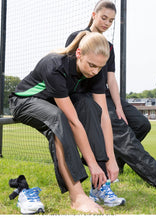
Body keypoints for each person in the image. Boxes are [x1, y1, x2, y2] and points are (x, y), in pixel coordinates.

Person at [65, 0, 156, 193]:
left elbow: (111, 79)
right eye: (104, 18)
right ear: (94, 15)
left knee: (141, 124)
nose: (107, 23)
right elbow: (69, 70)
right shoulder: (78, 37)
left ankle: (112, 165)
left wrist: (119, 107)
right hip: (86, 96)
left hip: (107, 96)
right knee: (121, 131)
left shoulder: (108, 47)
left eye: (111, 20)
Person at [9, 31, 125, 214]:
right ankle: (77, 197)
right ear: (79, 54)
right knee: (59, 120)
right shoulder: (55, 66)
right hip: (25, 101)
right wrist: (92, 164)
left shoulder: (96, 71)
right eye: (91, 65)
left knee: (89, 106)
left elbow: (103, 117)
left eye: (99, 67)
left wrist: (109, 160)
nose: (95, 71)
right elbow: (73, 122)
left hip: (52, 103)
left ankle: (99, 185)